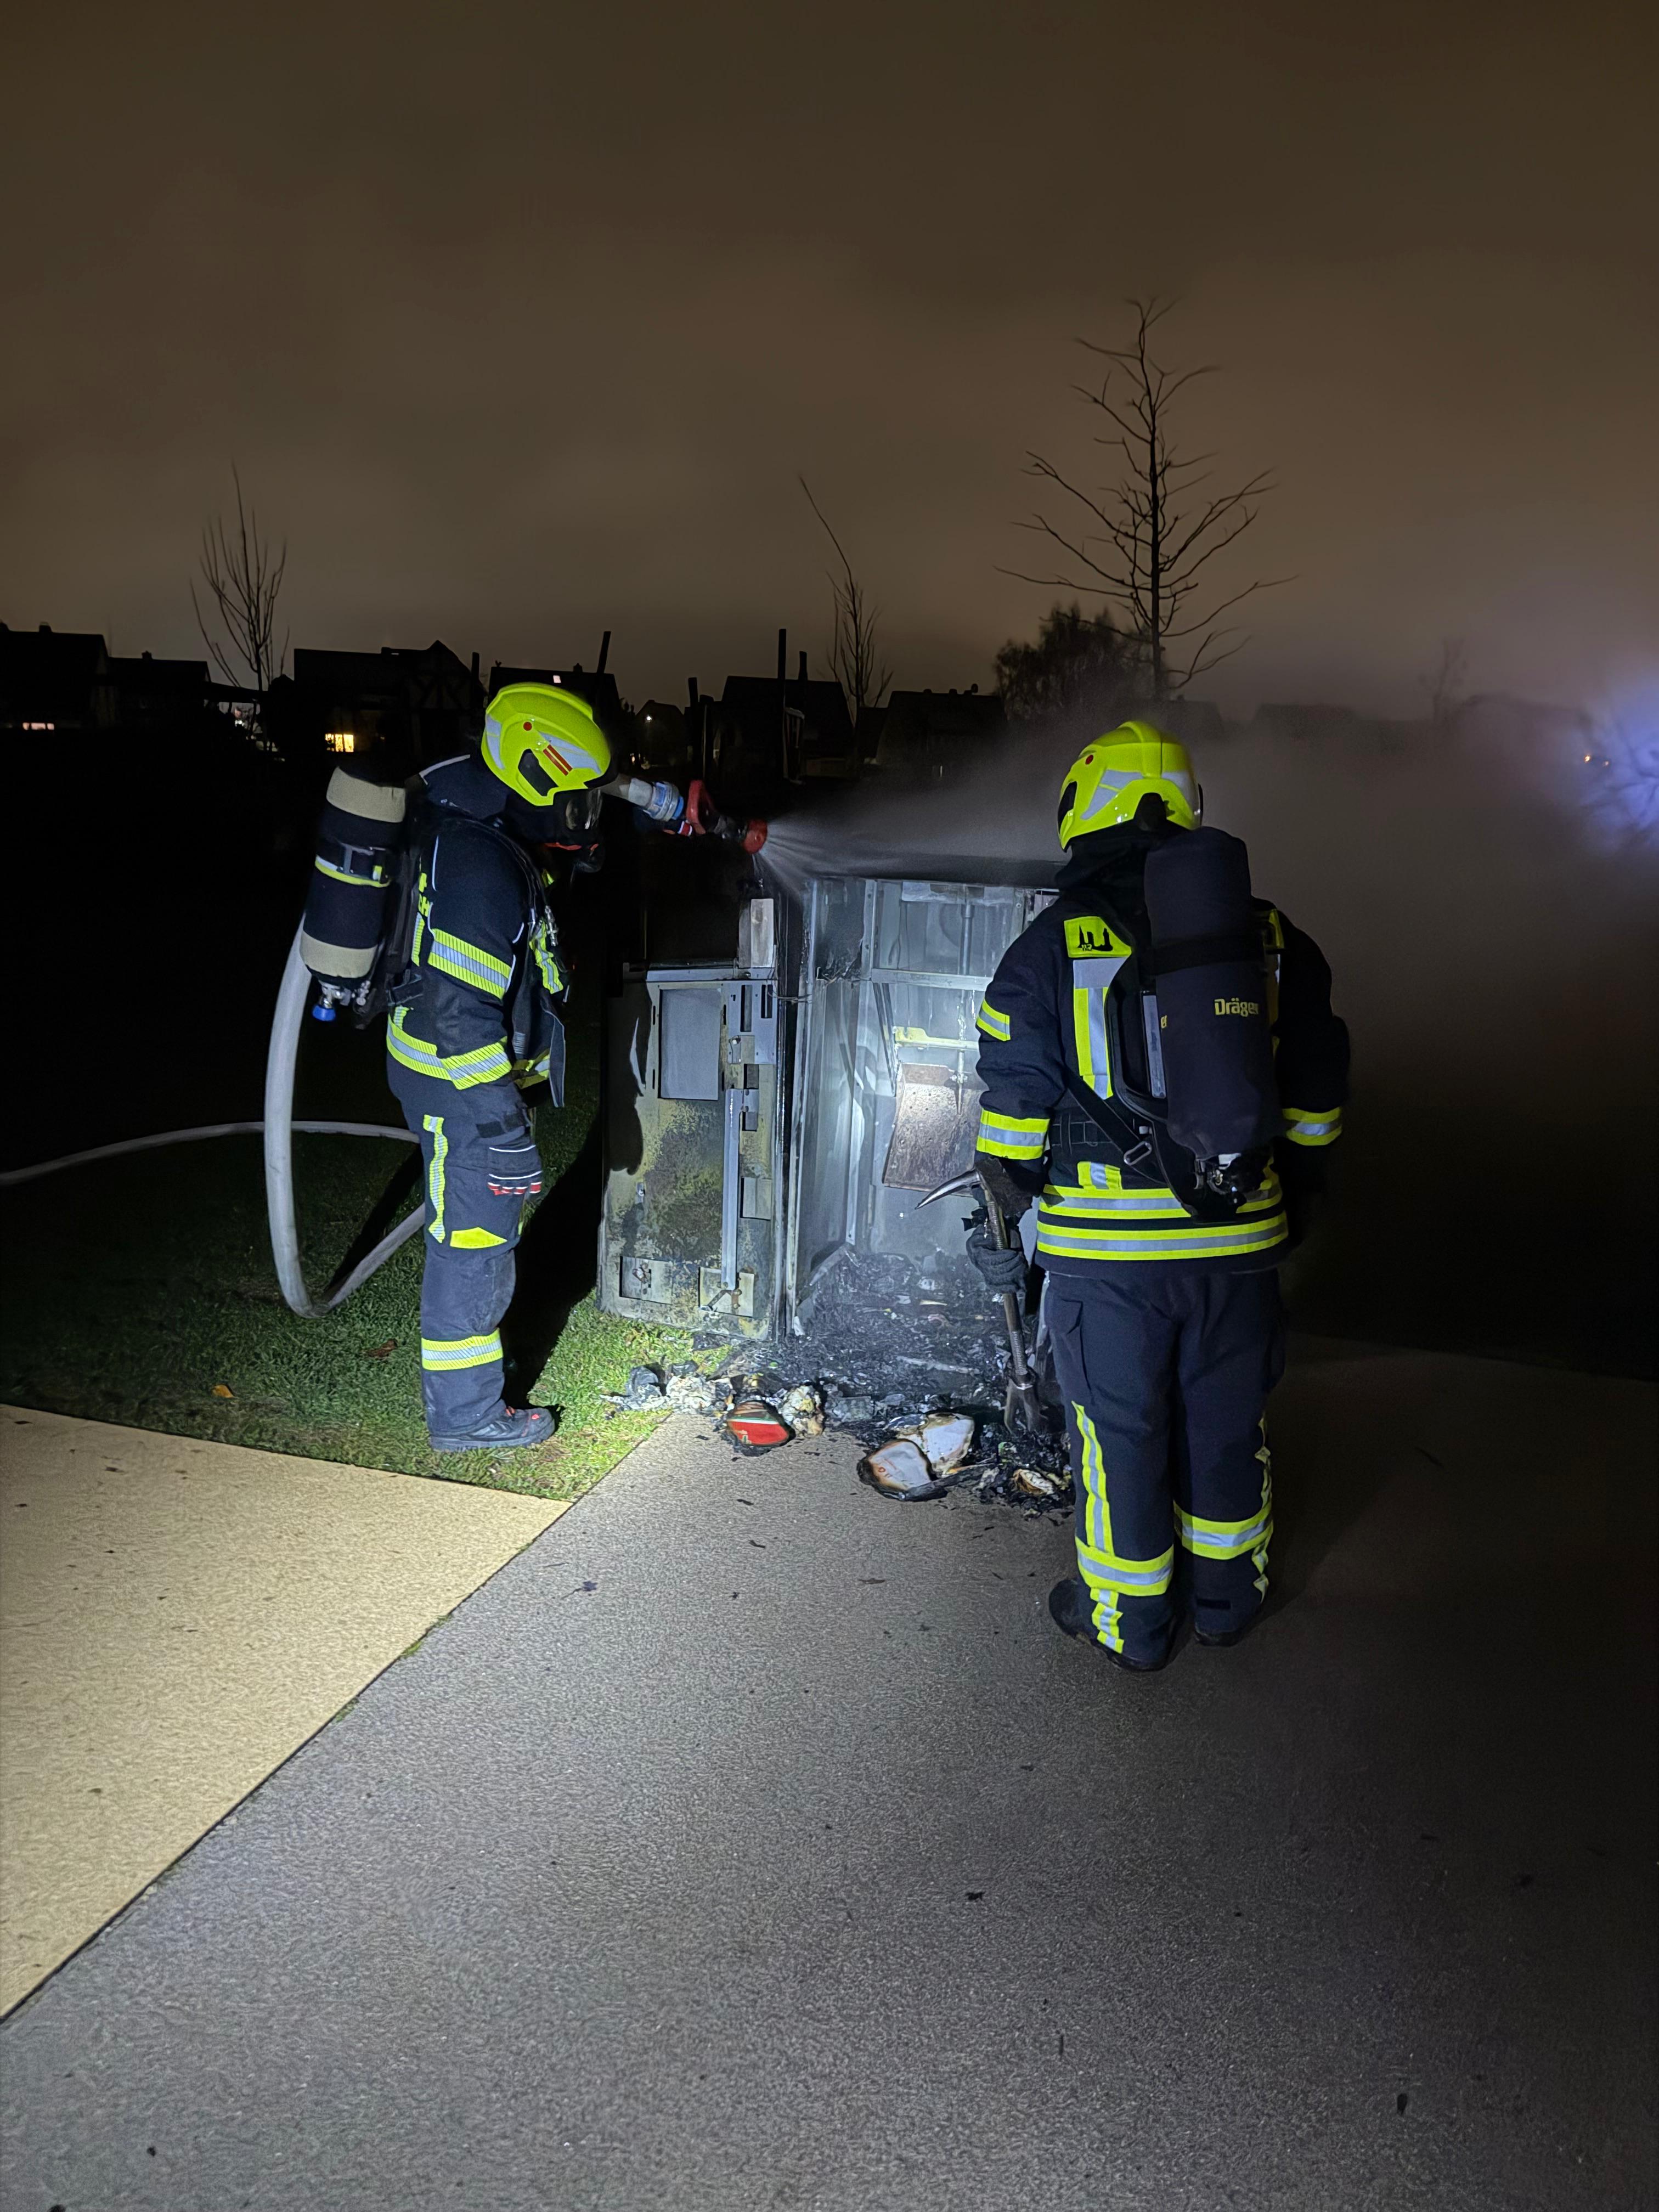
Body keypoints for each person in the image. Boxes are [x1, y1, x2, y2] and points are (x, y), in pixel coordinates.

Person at [969, 720, 1348, 1668]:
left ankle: (1131, 1627)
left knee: (1122, 1437)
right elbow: (1316, 1090)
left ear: (1083, 811)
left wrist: (1003, 1221)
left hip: (1108, 1263)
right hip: (1239, 1243)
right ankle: (1228, 1601)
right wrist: (1290, 1197)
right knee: (1226, 1427)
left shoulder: (1049, 945)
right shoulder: (1266, 935)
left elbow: (1011, 1114)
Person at [384, 682, 610, 1453]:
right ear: (534, 774)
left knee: (475, 1235)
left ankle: (467, 1404)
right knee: (475, 1248)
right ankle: (468, 1417)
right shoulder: (482, 866)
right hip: (462, 1083)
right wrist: (500, 1127)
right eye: (575, 797)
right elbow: (461, 1016)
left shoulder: (476, 829)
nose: (583, 814)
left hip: (448, 1075)